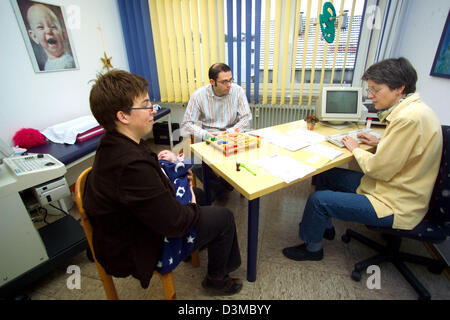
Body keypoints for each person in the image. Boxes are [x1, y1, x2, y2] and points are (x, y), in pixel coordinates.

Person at [84, 69, 243, 295]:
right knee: (224, 217)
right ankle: (216, 279)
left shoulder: (115, 143)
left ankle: (198, 248)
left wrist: (179, 185)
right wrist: (192, 204)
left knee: (198, 191)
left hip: (133, 224)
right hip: (138, 245)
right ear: (123, 116)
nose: (153, 110)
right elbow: (175, 221)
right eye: (146, 104)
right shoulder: (130, 165)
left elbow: (147, 186)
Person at [283, 57, 443, 261]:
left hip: (396, 202)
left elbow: (378, 170)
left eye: (376, 90)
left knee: (318, 200)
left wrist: (356, 149)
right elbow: (409, 151)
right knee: (326, 174)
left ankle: (312, 249)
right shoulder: (417, 111)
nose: (370, 95)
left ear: (399, 88)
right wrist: (380, 142)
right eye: (370, 89)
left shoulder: (408, 119)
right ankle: (323, 226)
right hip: (393, 187)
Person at [181, 63, 252, 200]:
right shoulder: (199, 96)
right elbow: (187, 123)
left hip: (231, 133)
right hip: (208, 135)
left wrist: (229, 132)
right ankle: (221, 186)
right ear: (212, 82)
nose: (229, 84)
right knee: (196, 165)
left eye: (231, 80)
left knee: (237, 160)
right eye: (224, 81)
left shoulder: (237, 91)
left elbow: (246, 118)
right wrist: (205, 134)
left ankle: (219, 186)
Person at [25, 3, 75, 71]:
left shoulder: (70, 61)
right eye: (40, 27)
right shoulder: (47, 67)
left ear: (63, 33)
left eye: (53, 26)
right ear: (34, 36)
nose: (48, 31)